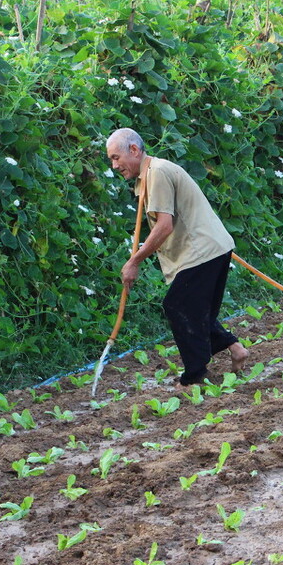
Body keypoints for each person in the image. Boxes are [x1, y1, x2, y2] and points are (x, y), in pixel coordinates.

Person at [105, 127, 250, 392]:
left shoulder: (157, 173)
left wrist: (134, 261)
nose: (114, 165)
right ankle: (235, 348)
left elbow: (164, 226)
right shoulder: (147, 176)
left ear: (134, 151)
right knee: (191, 308)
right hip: (205, 249)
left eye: (116, 158)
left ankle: (195, 374)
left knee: (177, 305)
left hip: (201, 250)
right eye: (111, 160)